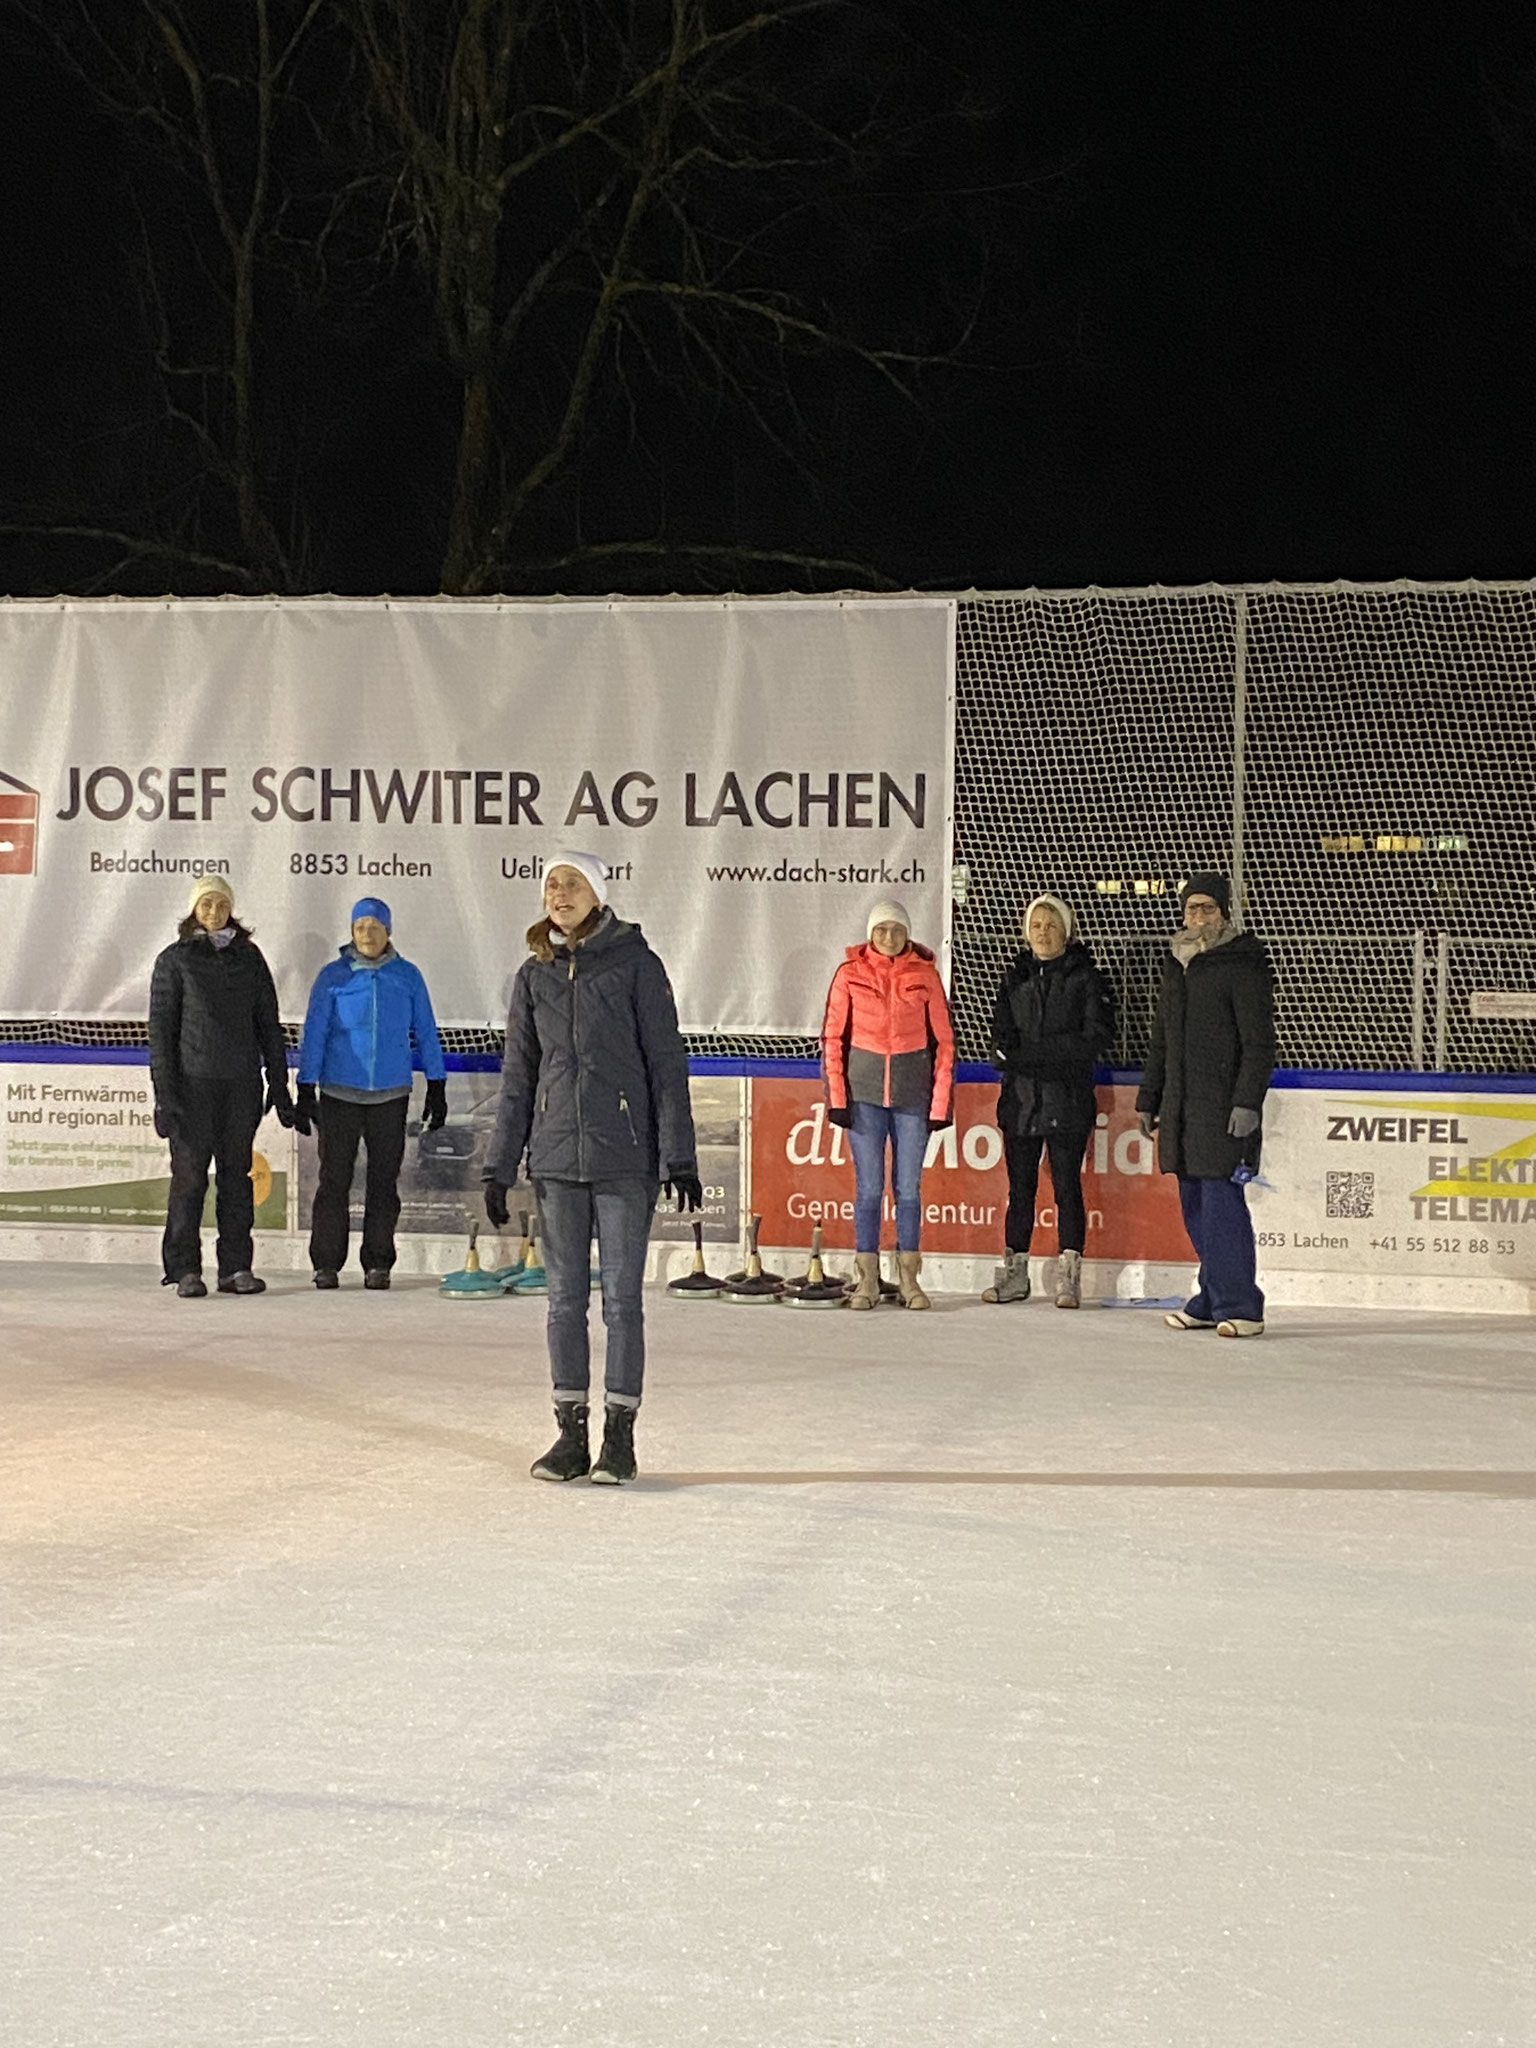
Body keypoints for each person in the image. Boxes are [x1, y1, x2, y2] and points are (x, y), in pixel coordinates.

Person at [483, 853, 700, 1486]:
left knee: (622, 1303)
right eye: (551, 884)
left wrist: (678, 1155)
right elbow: (519, 1078)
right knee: (563, 1303)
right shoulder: (534, 975)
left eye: (572, 883)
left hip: (624, 1158)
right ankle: (570, 1436)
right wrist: (499, 1165)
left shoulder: (637, 964)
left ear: (597, 895)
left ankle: (619, 1438)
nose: (560, 893)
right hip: (556, 1160)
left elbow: (667, 1064)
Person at [1135, 873, 1275, 1338]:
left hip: (1222, 1109)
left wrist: (1247, 1102)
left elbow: (1259, 1043)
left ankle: (1241, 1305)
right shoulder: (1177, 964)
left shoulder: (1242, 963)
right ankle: (1212, 1297)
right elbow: (1162, 1040)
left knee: (1222, 1209)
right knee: (1195, 1207)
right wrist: (1149, 1098)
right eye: (1192, 908)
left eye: (1208, 908)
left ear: (1224, 912)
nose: (1199, 917)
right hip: (1181, 1108)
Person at [149, 872, 294, 1298]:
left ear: (232, 910)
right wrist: (166, 1096)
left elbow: (268, 1024)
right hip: (192, 1090)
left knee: (237, 1178)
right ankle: (185, 1269)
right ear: (194, 909)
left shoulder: (249, 958)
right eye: (206, 904)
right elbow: (161, 1034)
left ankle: (235, 1268)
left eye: (222, 904)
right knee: (189, 1179)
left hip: (240, 1088)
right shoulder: (174, 960)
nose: (214, 912)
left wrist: (279, 1083)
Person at [295, 897, 448, 1290]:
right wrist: (306, 1085)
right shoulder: (333, 976)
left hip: (390, 1095)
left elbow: (426, 1030)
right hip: (339, 1093)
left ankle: (378, 1262)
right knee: (334, 1180)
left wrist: (437, 1082)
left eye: (375, 927)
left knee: (384, 1182)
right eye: (360, 927)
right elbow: (315, 1031)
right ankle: (326, 1263)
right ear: (351, 932)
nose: (367, 934)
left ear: (388, 932)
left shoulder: (407, 976)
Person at [821, 899, 954, 1311]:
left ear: (908, 933)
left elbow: (945, 1042)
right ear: (870, 934)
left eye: (897, 930)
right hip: (864, 1099)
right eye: (881, 930)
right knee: (869, 1188)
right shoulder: (849, 974)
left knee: (908, 1189)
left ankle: (909, 1278)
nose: (889, 937)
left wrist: (940, 1105)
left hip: (912, 1098)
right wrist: (837, 1099)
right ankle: (867, 1279)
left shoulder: (926, 975)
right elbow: (832, 1038)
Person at [984, 893, 1115, 1309]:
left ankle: (1069, 1276)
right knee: (1020, 1190)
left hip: (1067, 1102)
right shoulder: (1014, 978)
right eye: (1036, 925)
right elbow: (1000, 1043)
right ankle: (1014, 1273)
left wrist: (1030, 1056)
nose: (1043, 933)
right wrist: (1026, 1057)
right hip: (1020, 1103)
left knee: (1066, 1188)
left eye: (1051, 925)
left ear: (1066, 931)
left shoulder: (1086, 978)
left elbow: (1092, 1039)